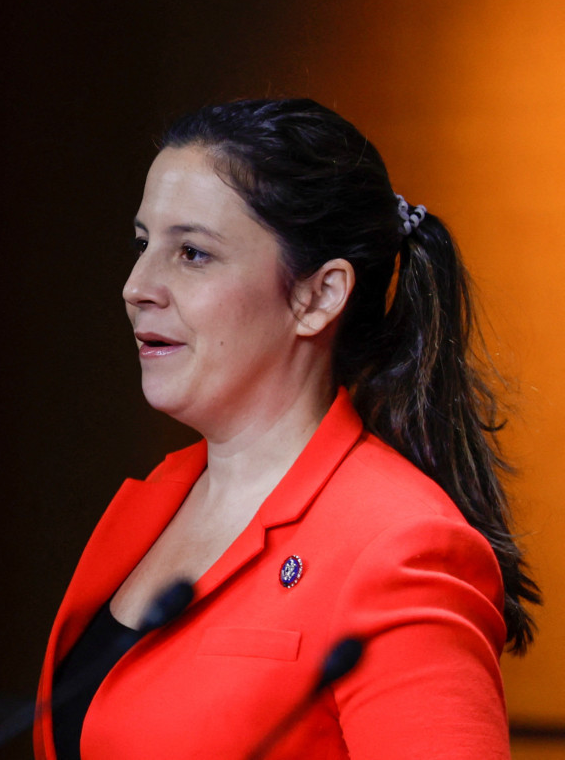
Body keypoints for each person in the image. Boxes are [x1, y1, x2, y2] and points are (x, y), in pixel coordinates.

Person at [33, 98, 537, 759]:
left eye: (191, 252)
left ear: (319, 295)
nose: (137, 285)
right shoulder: (157, 498)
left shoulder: (403, 545)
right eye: (142, 243)